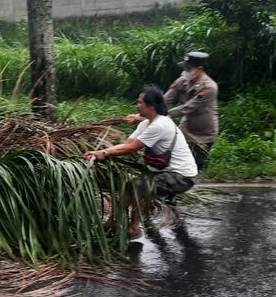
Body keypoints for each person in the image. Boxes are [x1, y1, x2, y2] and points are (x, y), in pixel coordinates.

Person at [84, 85, 198, 238]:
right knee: (130, 188)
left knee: (139, 187)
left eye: (139, 102)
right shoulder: (145, 124)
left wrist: (104, 153)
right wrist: (103, 153)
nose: (136, 105)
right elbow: (127, 142)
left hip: (181, 176)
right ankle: (114, 221)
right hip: (165, 172)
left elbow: (131, 148)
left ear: (151, 106)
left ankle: (134, 228)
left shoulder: (159, 125)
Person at [126, 52, 219, 170]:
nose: (185, 71)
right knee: (173, 161)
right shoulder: (182, 81)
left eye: (188, 68)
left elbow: (187, 108)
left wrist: (151, 116)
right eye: (185, 68)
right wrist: (143, 113)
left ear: (199, 69)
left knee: (193, 165)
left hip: (203, 134)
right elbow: (162, 102)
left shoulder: (209, 87)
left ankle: (182, 183)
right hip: (186, 129)